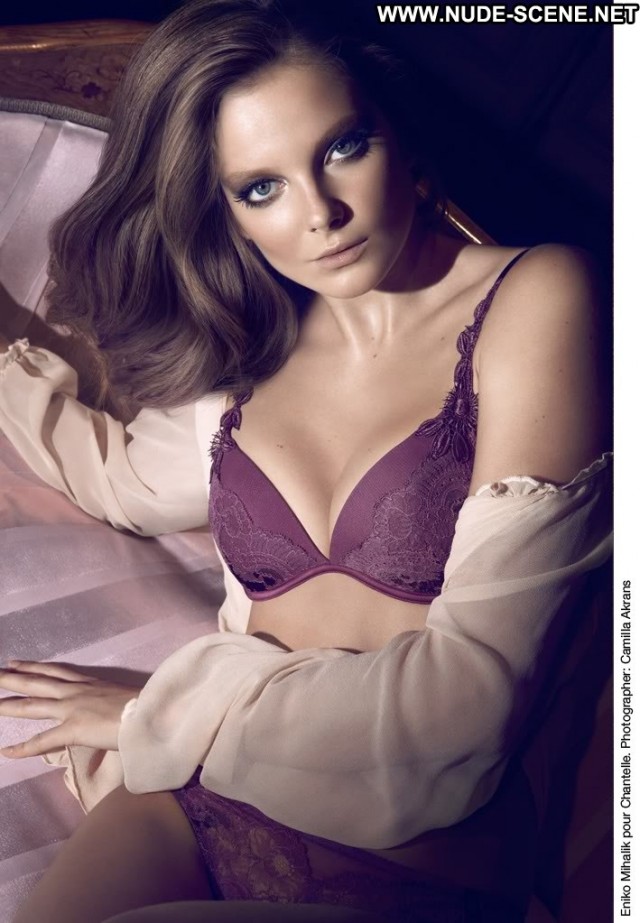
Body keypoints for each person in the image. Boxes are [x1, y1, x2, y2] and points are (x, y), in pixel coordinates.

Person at [0, 0, 612, 921]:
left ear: (398, 134)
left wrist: (154, 711)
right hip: (188, 800)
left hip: (411, 867)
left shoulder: (538, 296)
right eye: (261, 188)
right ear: (227, 214)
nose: (321, 213)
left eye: (343, 147)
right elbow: (124, 486)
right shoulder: (247, 352)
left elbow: (468, 706)